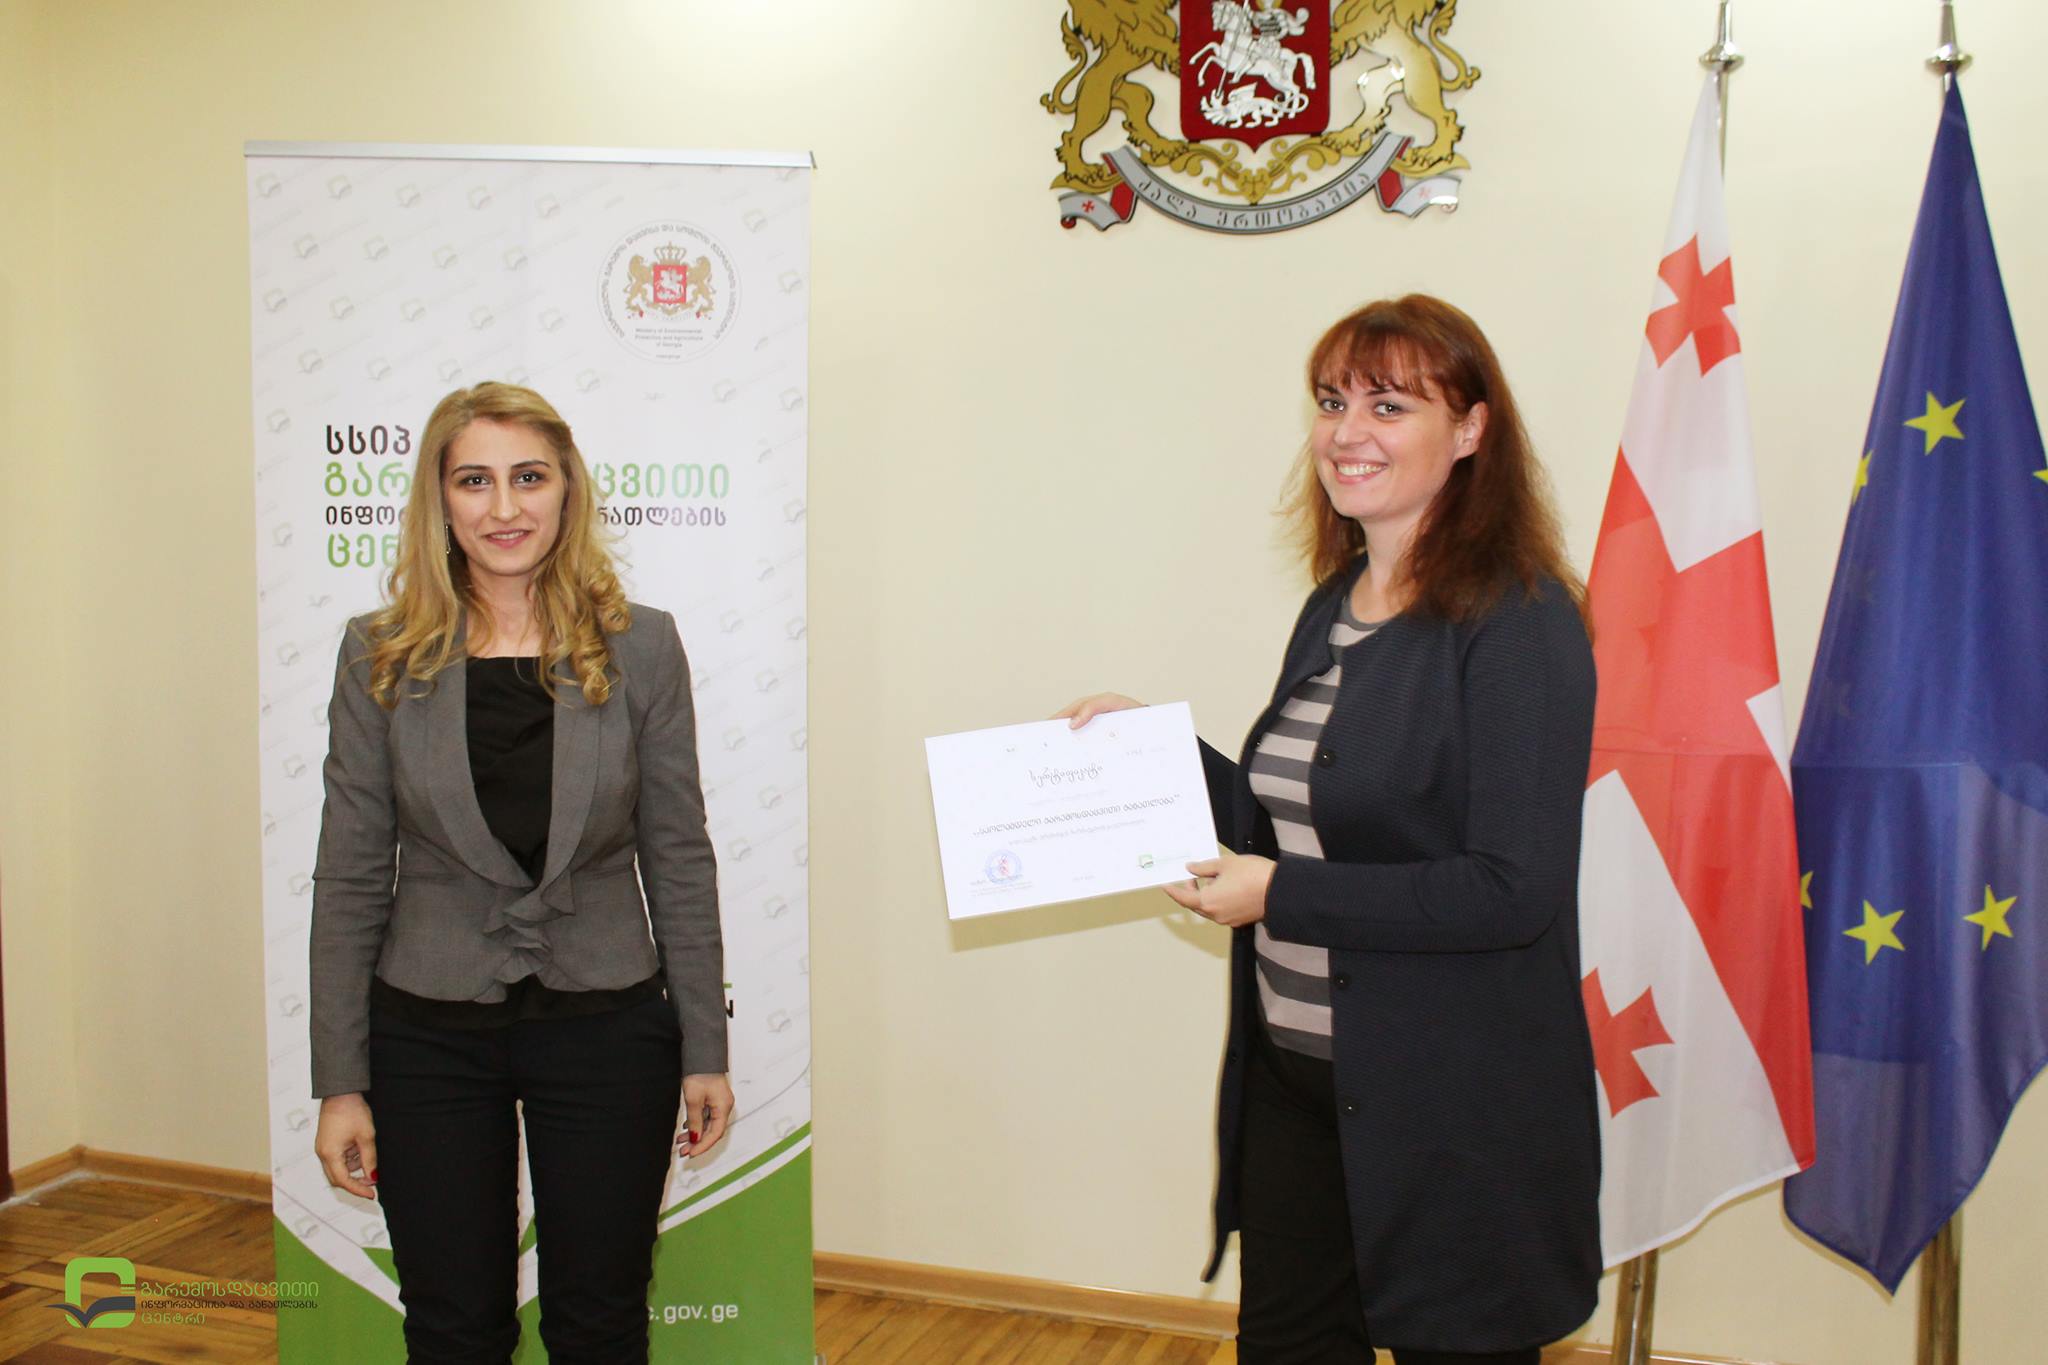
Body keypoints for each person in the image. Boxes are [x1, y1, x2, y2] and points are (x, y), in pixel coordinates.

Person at [1061, 296, 1601, 1363]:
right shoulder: (1336, 601)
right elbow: (1295, 823)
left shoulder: (1522, 620)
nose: (1347, 432)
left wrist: (1277, 895)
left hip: (1451, 1109)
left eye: (1389, 405)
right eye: (1331, 401)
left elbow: (1510, 888)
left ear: (1471, 429)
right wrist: (1156, 755)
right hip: (1298, 1086)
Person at [308, 381, 733, 1364]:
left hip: (608, 1024)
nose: (503, 507)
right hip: (425, 1031)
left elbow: (678, 853)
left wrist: (704, 1048)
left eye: (528, 477)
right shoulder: (377, 654)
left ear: (566, 490)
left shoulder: (643, 646)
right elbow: (350, 874)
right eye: (474, 481)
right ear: (439, 498)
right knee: (453, 1329)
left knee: (600, 1323)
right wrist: (340, 1082)